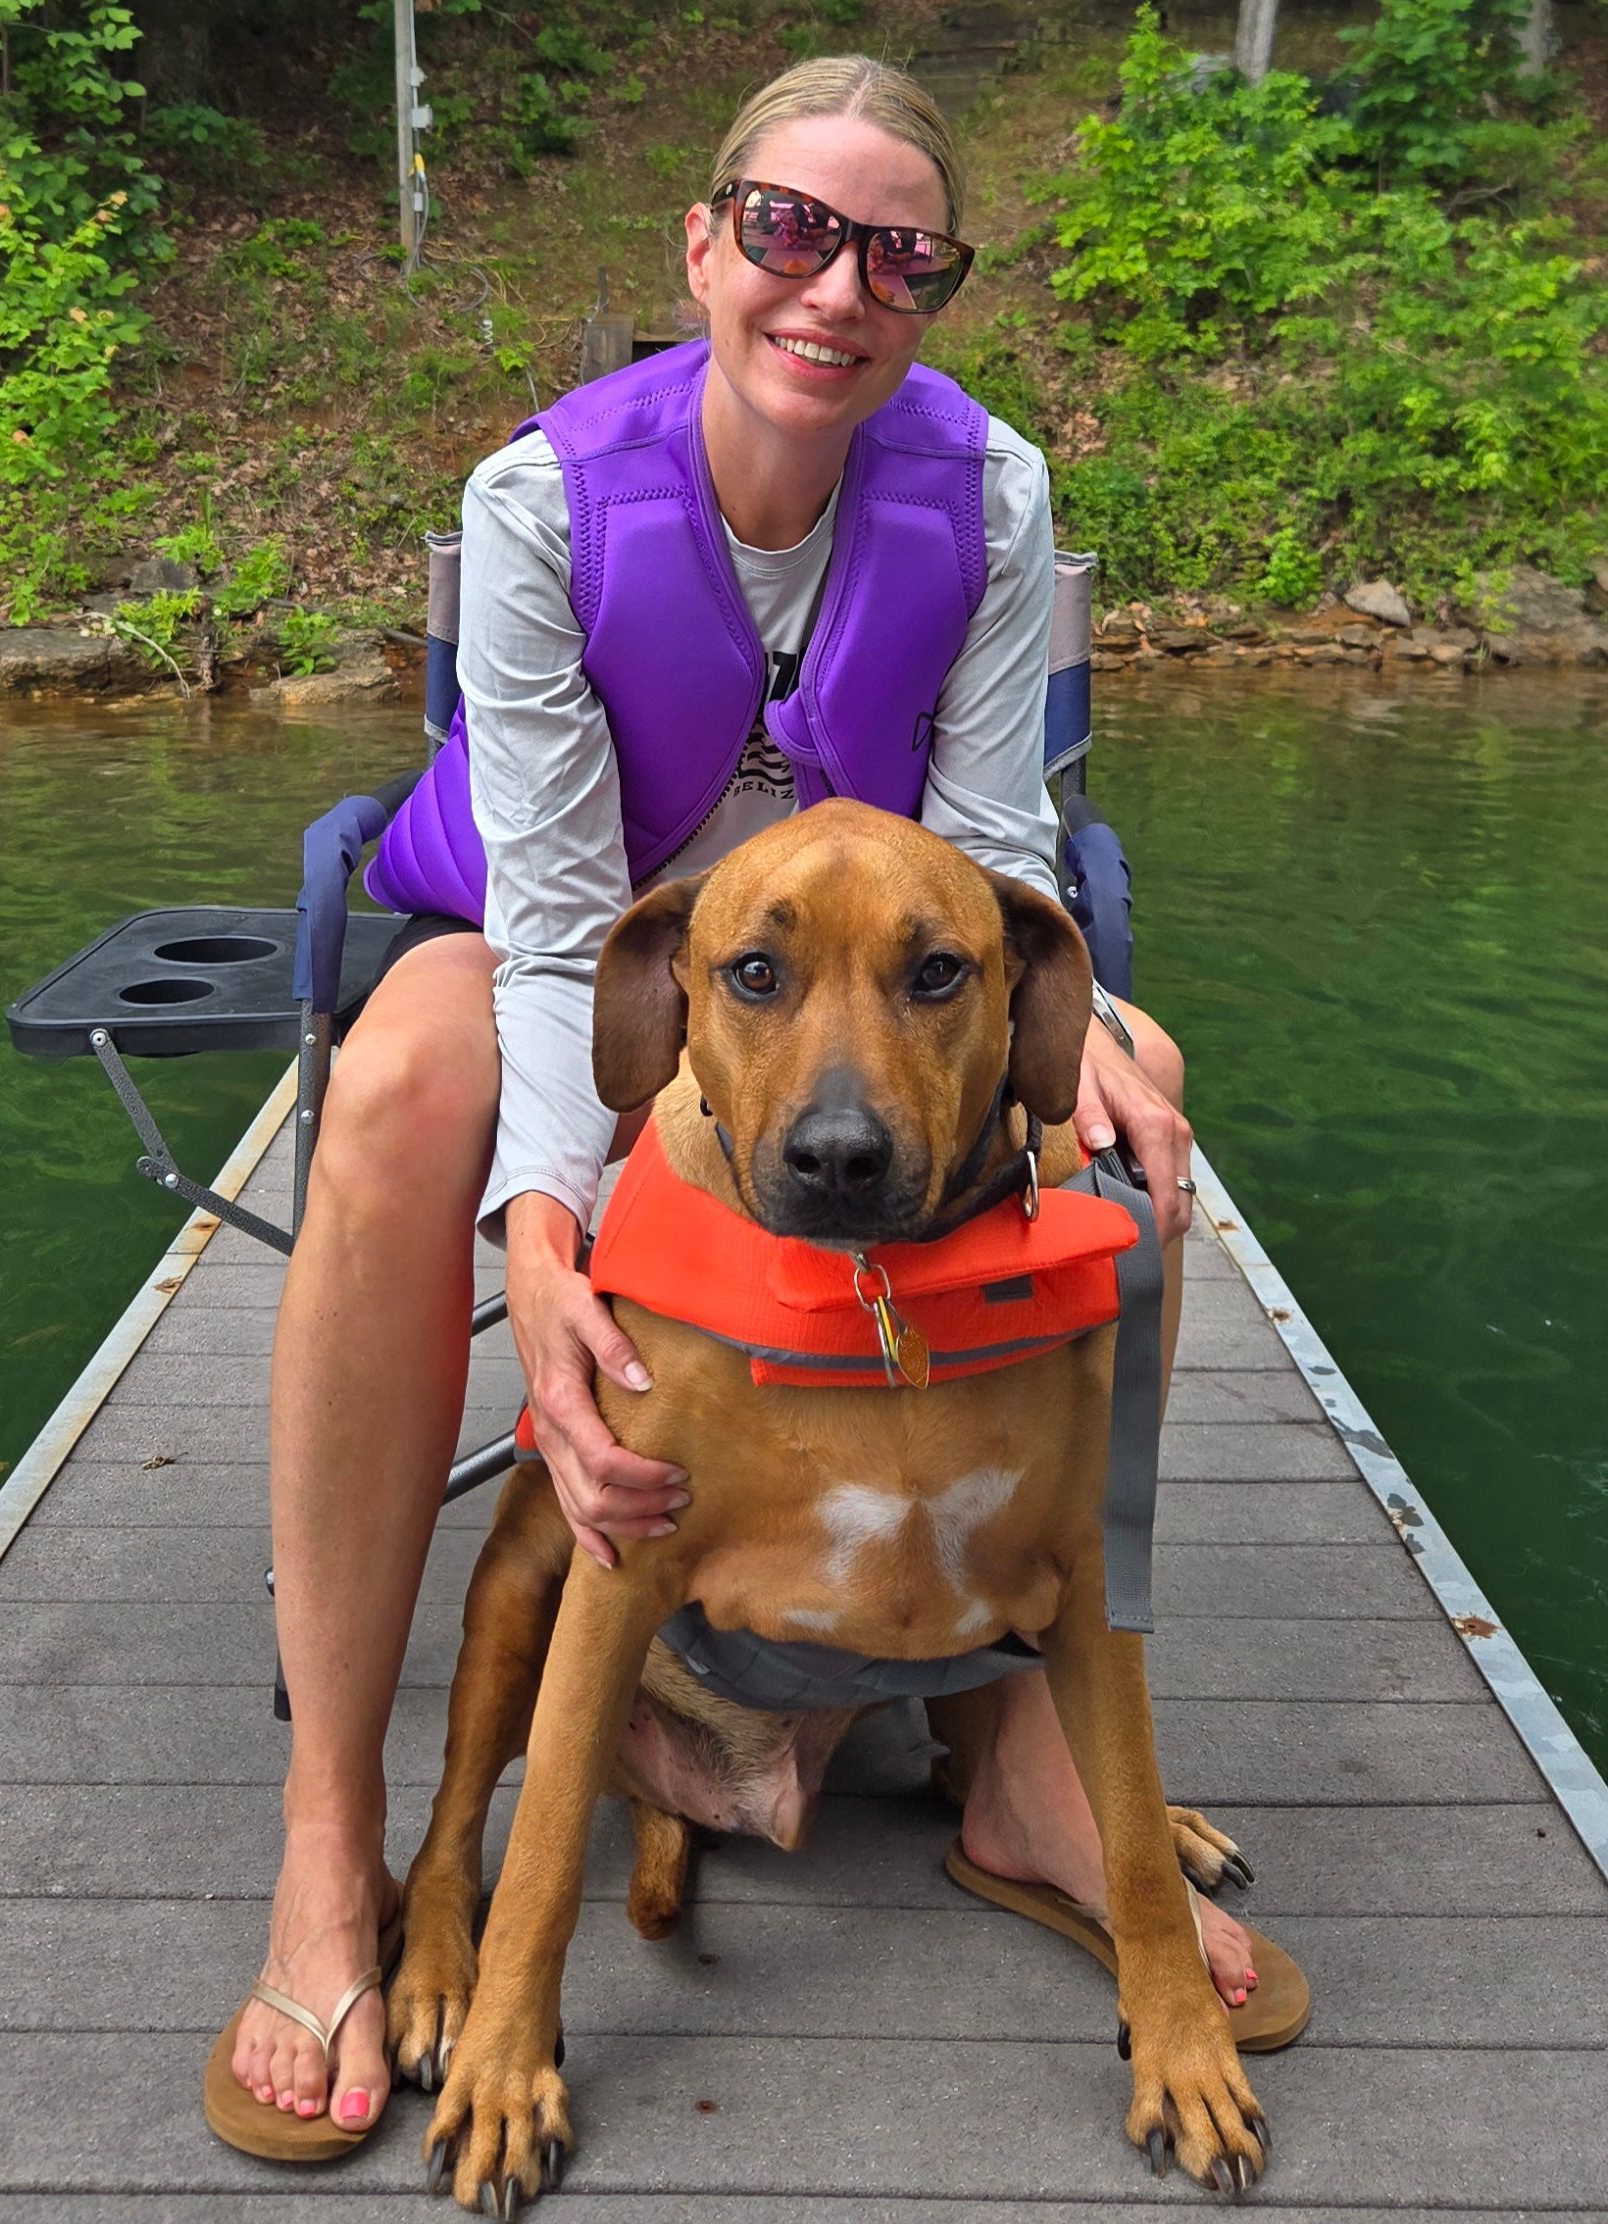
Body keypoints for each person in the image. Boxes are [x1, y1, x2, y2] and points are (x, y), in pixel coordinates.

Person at [217, 54, 1277, 2153]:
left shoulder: (989, 493)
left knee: (1140, 1100)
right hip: (595, 950)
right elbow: (550, 928)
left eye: (901, 253)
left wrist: (1081, 1047)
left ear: (936, 291)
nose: (838, 286)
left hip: (877, 979)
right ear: (704, 245)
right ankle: (334, 1834)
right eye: (791, 229)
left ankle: (1023, 1752)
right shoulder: (542, 501)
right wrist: (546, 1228)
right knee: (408, 1081)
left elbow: (995, 839)